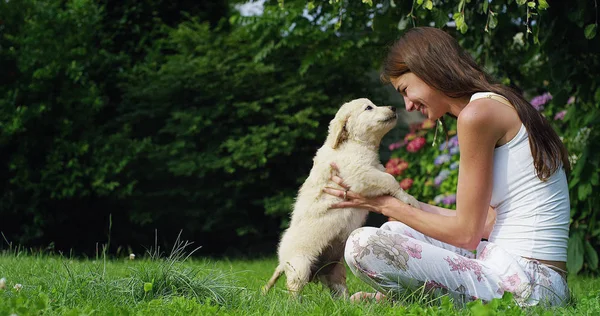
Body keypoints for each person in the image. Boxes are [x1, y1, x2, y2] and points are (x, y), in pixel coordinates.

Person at [322, 27, 571, 307]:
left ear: (428, 69)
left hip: (529, 286)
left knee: (363, 245)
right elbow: (488, 224)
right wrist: (399, 202)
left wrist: (385, 205)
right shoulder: (494, 104)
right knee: (395, 233)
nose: (408, 105)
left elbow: (466, 234)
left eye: (405, 90)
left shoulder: (477, 116)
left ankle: (405, 299)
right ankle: (407, 298)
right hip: (536, 278)